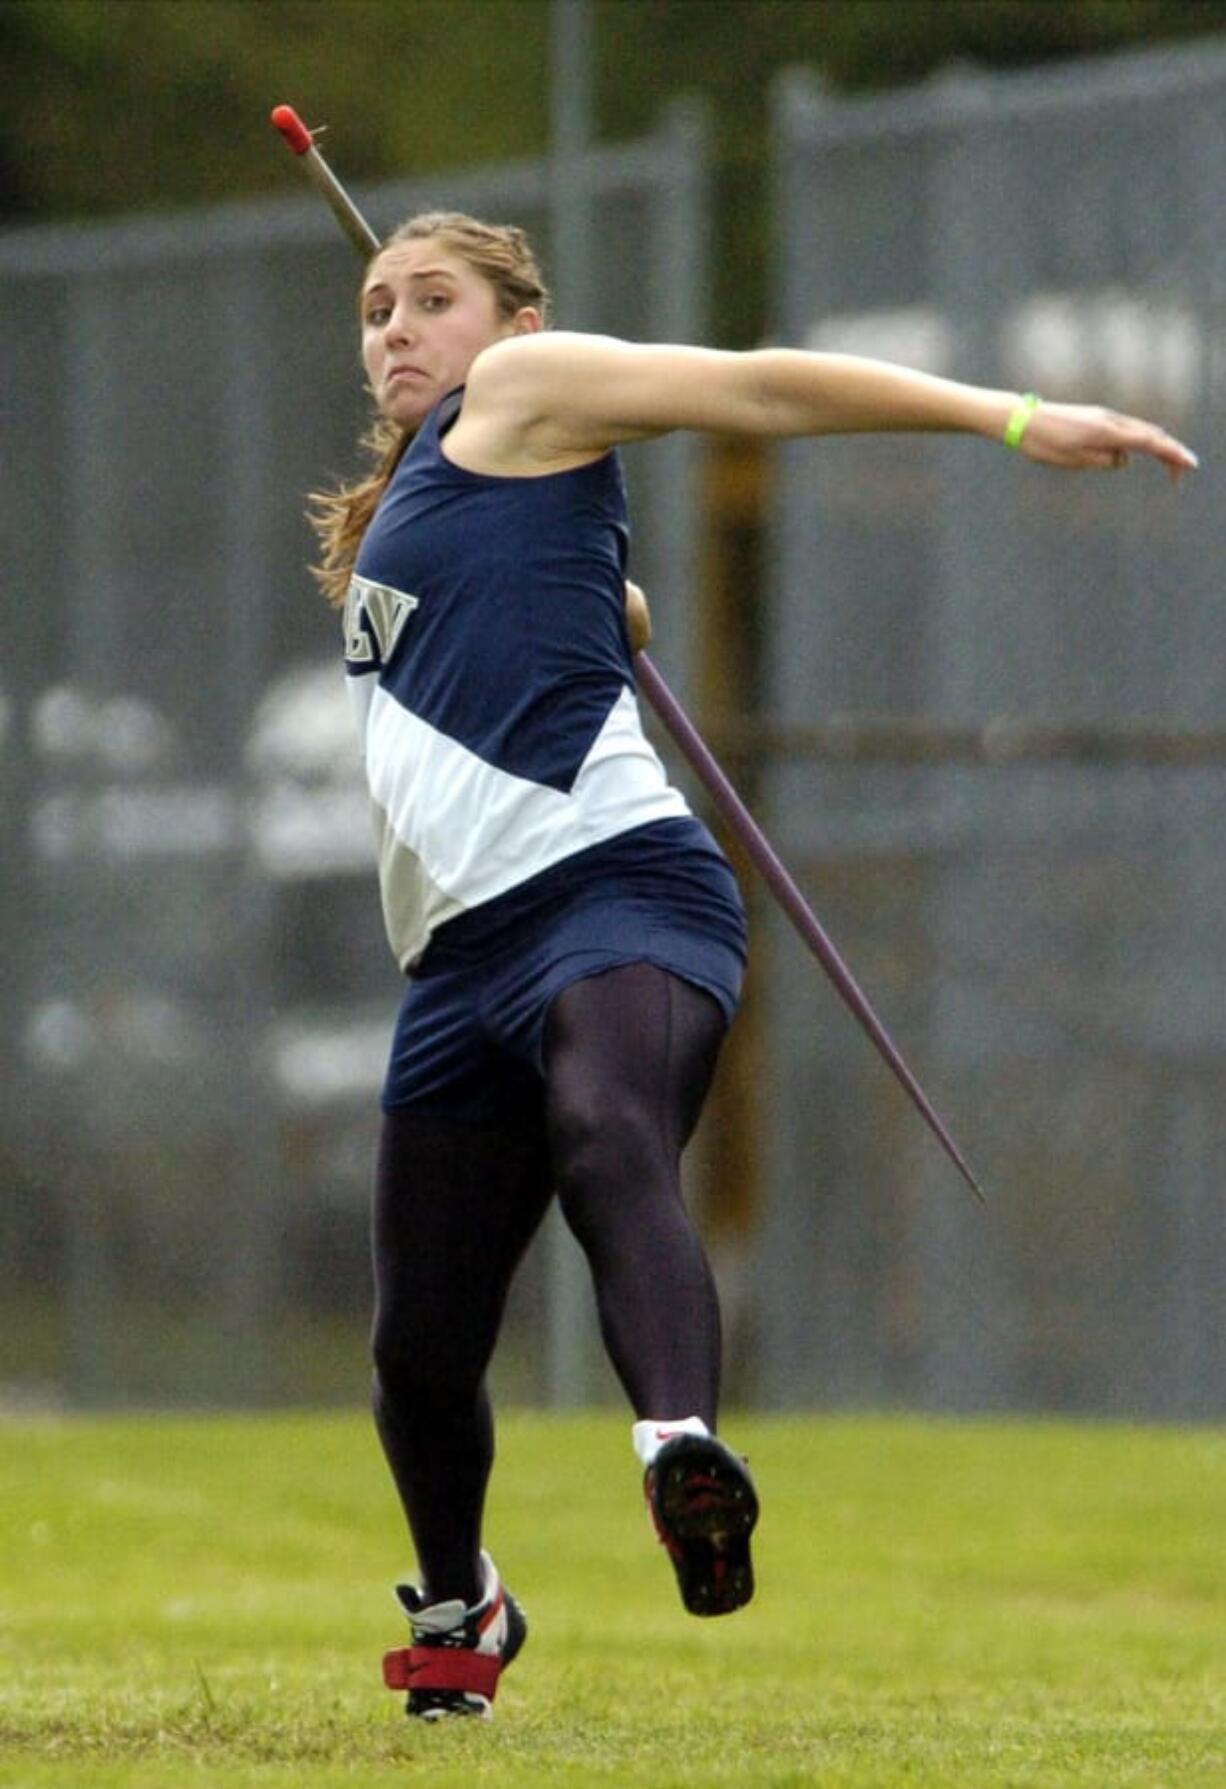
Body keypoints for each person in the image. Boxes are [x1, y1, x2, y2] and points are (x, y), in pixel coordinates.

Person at [308, 211, 1196, 1721]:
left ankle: (677, 1449)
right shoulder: (427, 499)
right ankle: (462, 1602)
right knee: (418, 1343)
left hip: (616, 896)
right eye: (376, 305)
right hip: (457, 960)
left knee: (609, 1128)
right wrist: (611, 601)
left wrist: (1014, 412)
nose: (394, 325)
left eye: (433, 299)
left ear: (519, 321)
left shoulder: (527, 391)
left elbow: (761, 386)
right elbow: (535, 615)